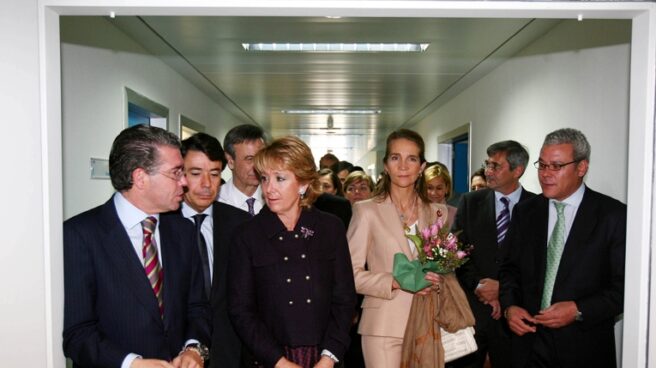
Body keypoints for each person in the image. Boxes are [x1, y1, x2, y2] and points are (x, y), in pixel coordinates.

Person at [63, 125, 211, 368]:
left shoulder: (183, 231)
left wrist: (194, 349)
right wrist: (131, 364)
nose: (184, 182)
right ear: (140, 177)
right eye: (175, 173)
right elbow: (77, 333)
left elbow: (198, 307)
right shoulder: (80, 235)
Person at [499, 128, 626, 368]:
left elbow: (623, 289)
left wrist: (578, 310)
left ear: (581, 168)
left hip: (584, 348)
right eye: (542, 165)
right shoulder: (526, 211)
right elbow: (509, 270)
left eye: (556, 166)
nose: (545, 174)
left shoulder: (613, 216)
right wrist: (510, 308)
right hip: (528, 346)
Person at [228, 136, 356, 368]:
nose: (269, 188)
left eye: (280, 178)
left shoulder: (330, 228)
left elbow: (345, 298)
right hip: (268, 359)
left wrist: (329, 357)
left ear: (304, 183)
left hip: (325, 357)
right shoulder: (247, 235)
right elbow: (241, 310)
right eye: (265, 178)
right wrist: (279, 362)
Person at [347, 129, 447, 368]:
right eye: (395, 158)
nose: (403, 166)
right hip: (383, 325)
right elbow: (349, 274)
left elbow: (444, 268)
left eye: (411, 158)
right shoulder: (366, 210)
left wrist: (437, 279)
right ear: (386, 165)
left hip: (428, 322)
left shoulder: (437, 213)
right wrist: (395, 281)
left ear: (422, 166)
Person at [451, 140, 534, 368]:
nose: (488, 171)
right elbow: (456, 251)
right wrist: (478, 285)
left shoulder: (537, 207)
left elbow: (537, 264)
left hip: (515, 318)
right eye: (487, 164)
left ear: (518, 170)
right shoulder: (470, 202)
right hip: (472, 315)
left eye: (496, 166)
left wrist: (503, 290)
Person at [179, 133, 251, 368]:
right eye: (196, 174)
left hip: (228, 352)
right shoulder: (162, 224)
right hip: (176, 355)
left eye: (215, 173)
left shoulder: (240, 223)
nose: (207, 185)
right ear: (180, 175)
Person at [219, 124, 266, 215]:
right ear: (230, 161)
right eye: (249, 159)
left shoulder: (274, 199)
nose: (257, 166)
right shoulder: (216, 201)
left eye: (260, 158)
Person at [423, 163, 458, 229]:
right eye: (430, 188)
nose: (434, 193)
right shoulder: (415, 212)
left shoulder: (456, 214)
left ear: (447, 188)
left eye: (439, 188)